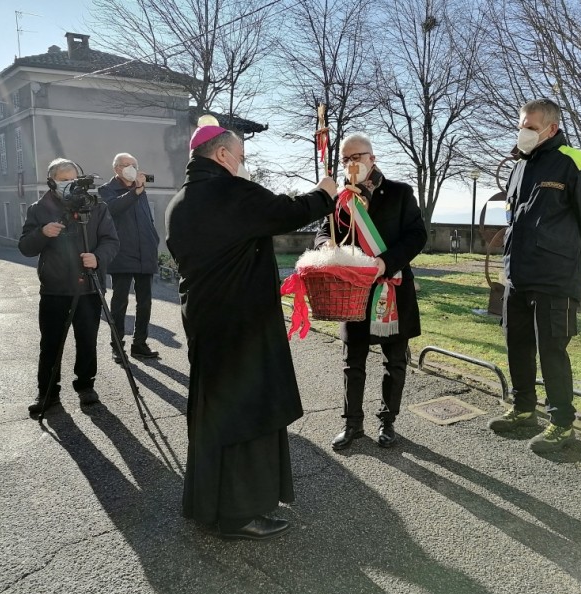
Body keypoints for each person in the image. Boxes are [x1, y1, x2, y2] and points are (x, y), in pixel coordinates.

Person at [166, 125, 337, 540]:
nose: (242, 164)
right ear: (222, 155)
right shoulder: (229, 191)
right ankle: (238, 514)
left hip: (205, 320)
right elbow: (287, 211)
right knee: (248, 413)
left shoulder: (180, 200)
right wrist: (325, 192)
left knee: (214, 411)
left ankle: (208, 503)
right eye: (240, 156)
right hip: (241, 324)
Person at [487, 98, 581, 453]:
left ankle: (562, 424)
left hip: (555, 279)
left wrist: (573, 270)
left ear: (551, 129)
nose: (523, 132)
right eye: (521, 126)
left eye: (531, 127)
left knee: (552, 351)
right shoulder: (519, 166)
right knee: (517, 344)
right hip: (518, 277)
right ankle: (523, 409)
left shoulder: (576, 163)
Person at [314, 132, 427, 451]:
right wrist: (326, 246)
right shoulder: (340, 198)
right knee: (353, 361)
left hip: (392, 287)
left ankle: (388, 422)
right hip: (354, 292)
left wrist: (385, 262)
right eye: (345, 159)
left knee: (395, 361)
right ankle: (352, 424)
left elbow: (417, 235)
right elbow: (323, 233)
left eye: (356, 157)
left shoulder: (400, 192)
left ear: (372, 158)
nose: (351, 164)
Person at [19, 158, 120, 415]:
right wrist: (42, 233)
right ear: (52, 182)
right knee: (50, 344)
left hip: (89, 286)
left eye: (73, 179)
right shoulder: (38, 209)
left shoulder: (96, 207)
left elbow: (111, 241)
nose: (70, 184)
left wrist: (98, 258)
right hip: (54, 289)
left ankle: (86, 386)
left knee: (87, 340)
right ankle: (48, 392)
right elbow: (25, 247)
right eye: (63, 180)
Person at [98, 153, 161, 362]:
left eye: (133, 164)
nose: (130, 168)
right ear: (116, 169)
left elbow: (146, 218)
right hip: (122, 253)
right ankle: (117, 346)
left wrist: (153, 238)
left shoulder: (139, 188)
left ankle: (139, 343)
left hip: (145, 252)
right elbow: (112, 209)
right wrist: (135, 191)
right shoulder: (106, 190)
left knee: (145, 302)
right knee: (120, 302)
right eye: (125, 165)